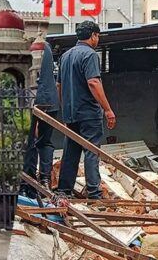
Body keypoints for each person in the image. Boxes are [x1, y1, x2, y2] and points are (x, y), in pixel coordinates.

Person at [55, 20, 116, 200]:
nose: (98, 39)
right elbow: (93, 82)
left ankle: (64, 191)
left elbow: (59, 86)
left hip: (71, 113)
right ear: (93, 36)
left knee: (70, 152)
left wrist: (65, 109)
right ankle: (94, 193)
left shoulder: (65, 56)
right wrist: (108, 110)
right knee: (91, 150)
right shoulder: (90, 55)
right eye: (97, 36)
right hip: (88, 113)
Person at [20, 40, 59, 196]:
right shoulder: (48, 47)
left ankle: (27, 184)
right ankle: (44, 180)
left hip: (34, 99)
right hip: (50, 100)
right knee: (45, 141)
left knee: (29, 143)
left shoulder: (31, 46)